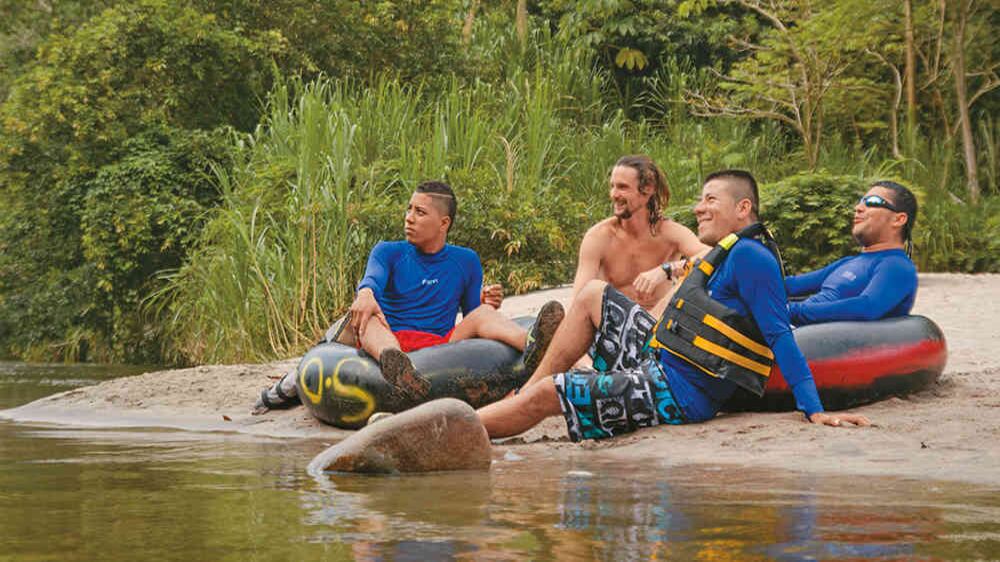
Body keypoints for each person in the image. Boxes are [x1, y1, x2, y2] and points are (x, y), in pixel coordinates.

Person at [476, 170, 869, 442]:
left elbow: (779, 335)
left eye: (710, 200)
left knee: (551, 393)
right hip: (661, 357)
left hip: (678, 391)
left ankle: (457, 427)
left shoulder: (753, 257)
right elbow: (694, 273)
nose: (698, 207)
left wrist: (814, 408)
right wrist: (668, 269)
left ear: (743, 208)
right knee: (594, 293)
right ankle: (517, 396)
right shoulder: (729, 252)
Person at [339, 181, 563, 401]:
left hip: (441, 347)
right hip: (391, 339)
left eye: (420, 212)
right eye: (409, 209)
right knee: (369, 321)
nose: (409, 218)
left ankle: (533, 343)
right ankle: (398, 368)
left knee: (483, 314)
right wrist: (366, 293)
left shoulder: (466, 261)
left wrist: (484, 303)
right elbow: (373, 279)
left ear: (443, 223)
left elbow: (472, 317)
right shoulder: (388, 251)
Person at [573, 155, 707, 312]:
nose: (614, 195)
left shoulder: (671, 233)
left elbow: (712, 256)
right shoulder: (599, 237)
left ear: (648, 189)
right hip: (613, 324)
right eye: (612, 186)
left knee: (685, 284)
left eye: (622, 187)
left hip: (657, 325)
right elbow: (579, 300)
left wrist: (667, 269)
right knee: (592, 291)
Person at [785, 181, 918, 326]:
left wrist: (789, 312)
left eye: (872, 202)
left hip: (826, 341)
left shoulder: (897, 266)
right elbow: (792, 285)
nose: (858, 208)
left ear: (899, 219)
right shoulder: (848, 262)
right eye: (860, 202)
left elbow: (866, 307)